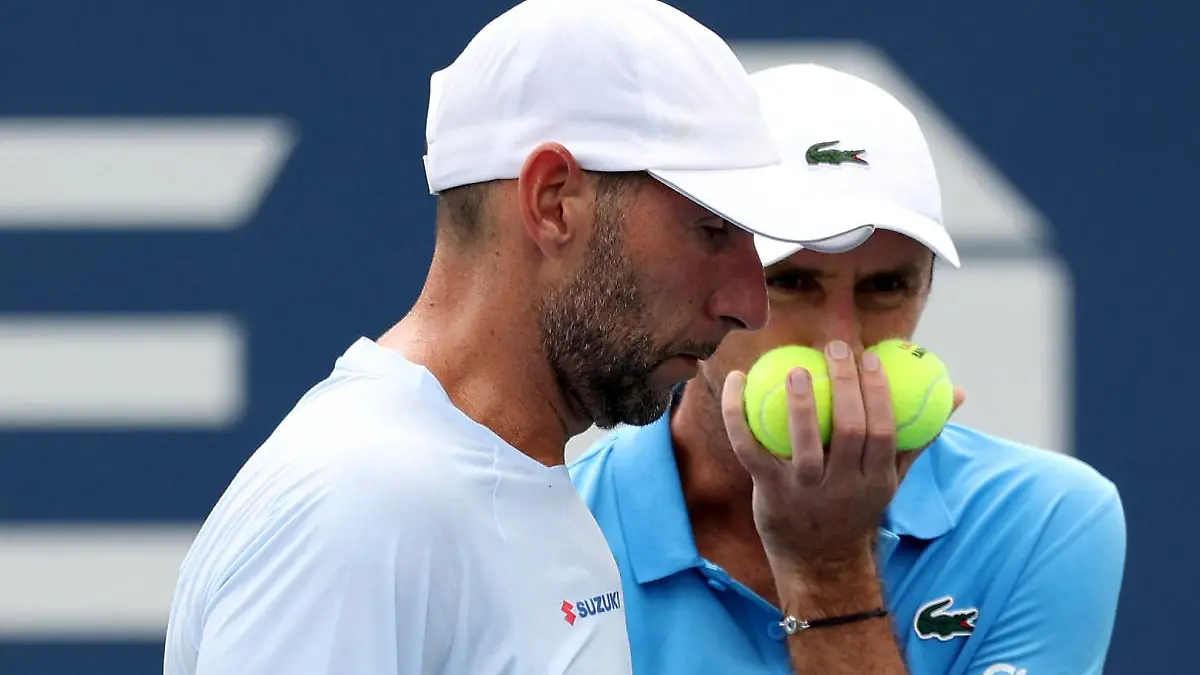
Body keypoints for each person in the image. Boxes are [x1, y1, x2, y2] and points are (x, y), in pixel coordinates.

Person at [160, 3, 882, 674]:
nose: (748, 303)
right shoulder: (360, 505)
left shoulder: (512, 484)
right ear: (552, 200)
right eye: (711, 231)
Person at [569, 63, 1126, 675]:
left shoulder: (1047, 520)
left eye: (886, 286)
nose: (844, 343)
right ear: (704, 285)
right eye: (793, 282)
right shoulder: (547, 526)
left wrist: (828, 570)